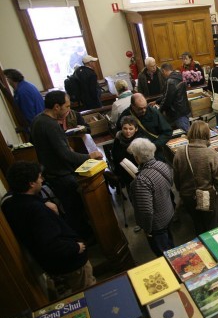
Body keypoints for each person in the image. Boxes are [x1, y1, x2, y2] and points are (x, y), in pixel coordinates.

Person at [2, 161, 96, 295]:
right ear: (31, 184)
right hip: (71, 262)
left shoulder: (10, 202)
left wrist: (44, 201)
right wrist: (76, 247)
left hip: (51, 264)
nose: (42, 179)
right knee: (88, 291)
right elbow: (51, 244)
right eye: (39, 177)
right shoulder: (36, 211)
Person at [30, 91, 103, 238]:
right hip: (61, 175)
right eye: (67, 106)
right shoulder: (50, 125)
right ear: (57, 107)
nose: (69, 110)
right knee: (75, 209)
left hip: (52, 172)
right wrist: (90, 156)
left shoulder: (37, 120)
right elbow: (65, 155)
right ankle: (85, 238)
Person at [173, 121, 218, 235]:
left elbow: (176, 178)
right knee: (213, 225)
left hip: (187, 196)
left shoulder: (180, 152)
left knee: (197, 222)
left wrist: (182, 191)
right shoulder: (210, 154)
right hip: (207, 195)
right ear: (207, 135)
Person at [128, 138, 175, 256]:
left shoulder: (141, 181)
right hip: (168, 212)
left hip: (157, 224)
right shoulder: (162, 164)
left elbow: (146, 211)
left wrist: (147, 230)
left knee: (164, 255)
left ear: (137, 158)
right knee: (171, 247)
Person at [117, 93, 173, 161]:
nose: (144, 110)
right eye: (140, 109)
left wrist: (154, 145)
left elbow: (167, 131)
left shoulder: (153, 112)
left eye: (145, 107)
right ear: (132, 106)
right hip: (134, 156)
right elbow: (120, 134)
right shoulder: (125, 115)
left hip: (155, 153)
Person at [160, 63, 191, 132]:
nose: (162, 75)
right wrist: (157, 101)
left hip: (177, 113)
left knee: (185, 134)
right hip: (183, 110)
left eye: (162, 72)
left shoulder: (170, 81)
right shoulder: (179, 76)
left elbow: (167, 99)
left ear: (164, 71)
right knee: (187, 133)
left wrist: (160, 110)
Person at [110, 115, 139, 187]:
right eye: (125, 128)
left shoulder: (139, 140)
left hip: (138, 172)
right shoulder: (118, 139)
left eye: (131, 129)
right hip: (123, 171)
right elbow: (115, 156)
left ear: (136, 129)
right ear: (121, 128)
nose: (128, 131)